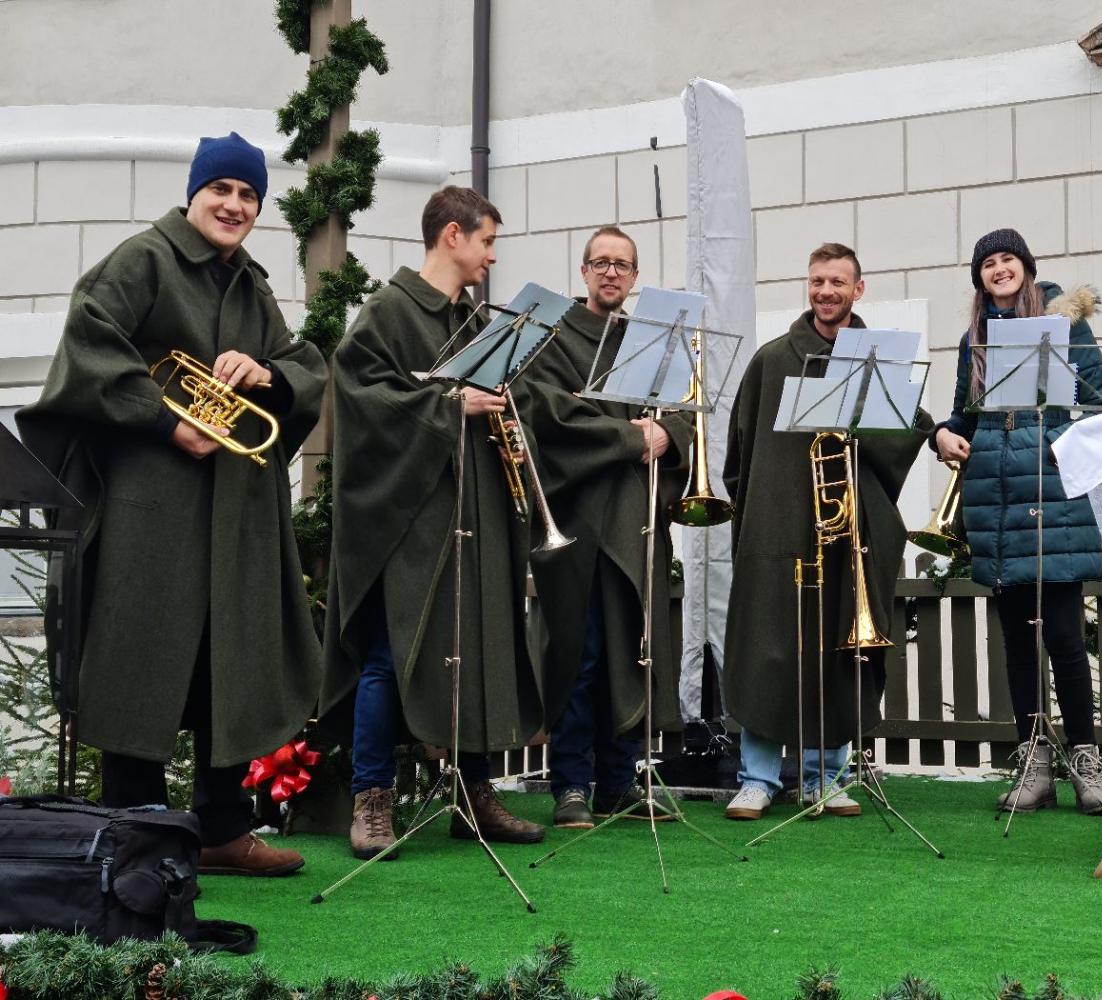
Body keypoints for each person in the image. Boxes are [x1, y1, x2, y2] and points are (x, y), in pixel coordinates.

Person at [18, 132, 327, 874]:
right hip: (150, 506)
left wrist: (266, 372)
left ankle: (222, 831)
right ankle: (140, 838)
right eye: (221, 189)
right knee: (140, 659)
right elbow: (89, 346)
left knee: (232, 660)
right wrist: (166, 421)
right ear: (194, 193)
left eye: (249, 194)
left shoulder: (250, 284)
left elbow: (302, 365)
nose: (235, 205)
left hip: (234, 511)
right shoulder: (143, 260)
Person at [320, 186, 545, 859]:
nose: (491, 256)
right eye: (486, 242)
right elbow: (361, 401)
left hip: (473, 512)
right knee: (392, 657)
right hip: (407, 520)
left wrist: (504, 415)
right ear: (453, 235)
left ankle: (473, 795)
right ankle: (371, 800)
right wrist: (450, 404)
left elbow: (486, 401)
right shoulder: (389, 311)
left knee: (470, 646)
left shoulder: (473, 320)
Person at [722, 243, 930, 821]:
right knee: (769, 651)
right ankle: (757, 779)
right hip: (776, 532)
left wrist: (931, 433)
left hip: (845, 535)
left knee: (839, 651)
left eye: (838, 282)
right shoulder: (770, 360)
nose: (826, 292)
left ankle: (825, 777)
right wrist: (759, 517)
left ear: (858, 289)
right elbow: (740, 453)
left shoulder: (877, 361)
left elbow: (902, 432)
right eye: (817, 281)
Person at [931, 227, 1102, 816]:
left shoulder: (1064, 324)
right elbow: (963, 415)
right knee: (1017, 641)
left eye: (1008, 258)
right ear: (980, 278)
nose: (998, 269)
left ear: (1027, 268)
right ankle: (1034, 765)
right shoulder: (974, 339)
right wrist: (943, 437)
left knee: (1063, 635)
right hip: (996, 498)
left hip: (1053, 494)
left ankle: (1085, 763)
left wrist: (1053, 434)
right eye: (988, 263)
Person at [520, 226, 692, 829]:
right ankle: (571, 784)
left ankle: (619, 783)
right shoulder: (552, 337)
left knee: (632, 650)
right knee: (582, 653)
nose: (611, 273)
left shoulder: (652, 343)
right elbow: (550, 414)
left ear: (635, 277)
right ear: (584, 271)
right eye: (601, 263)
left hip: (637, 521)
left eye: (622, 265)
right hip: (580, 520)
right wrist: (629, 437)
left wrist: (669, 435)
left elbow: (682, 414)